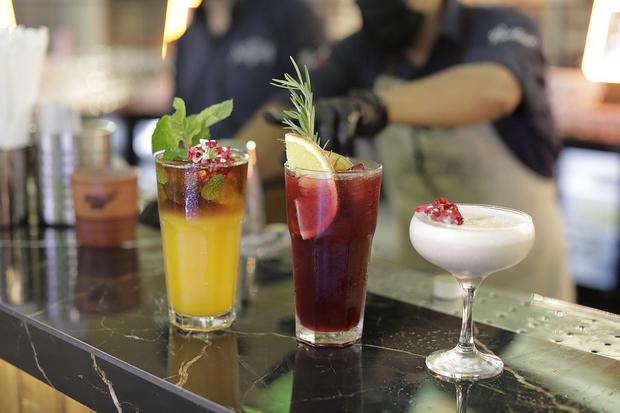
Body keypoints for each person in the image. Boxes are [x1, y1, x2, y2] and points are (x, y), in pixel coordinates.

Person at [242, 0, 574, 301]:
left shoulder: (500, 28)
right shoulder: (359, 51)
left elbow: (496, 87)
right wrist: (228, 166)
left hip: (520, 292)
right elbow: (279, 115)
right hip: (419, 294)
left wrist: (373, 106)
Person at [174, 0, 323, 139]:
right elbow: (180, 110)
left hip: (272, 163)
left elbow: (314, 93)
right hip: (201, 163)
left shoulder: (289, 14)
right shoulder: (189, 36)